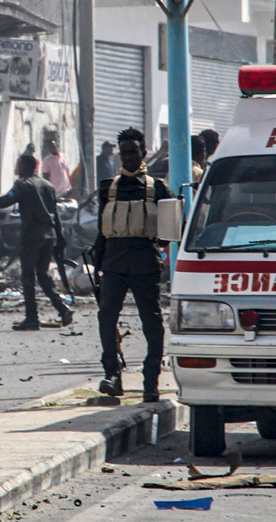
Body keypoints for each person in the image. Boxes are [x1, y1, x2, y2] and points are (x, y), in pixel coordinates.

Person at [93, 128, 174, 403]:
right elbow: (101, 230)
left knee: (152, 323)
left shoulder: (158, 188)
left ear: (144, 153)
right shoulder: (108, 187)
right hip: (113, 262)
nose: (128, 157)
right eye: (124, 152)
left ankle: (150, 382)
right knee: (106, 317)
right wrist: (97, 262)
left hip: (145, 264)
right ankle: (112, 375)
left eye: (133, 152)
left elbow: (170, 232)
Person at [0, 154, 73, 330]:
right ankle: (62, 308)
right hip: (49, 235)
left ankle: (32, 318)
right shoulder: (48, 185)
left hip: (32, 237)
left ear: (26, 167)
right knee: (42, 276)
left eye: (18, 164)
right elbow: (55, 214)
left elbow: (2, 202)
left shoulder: (23, 185)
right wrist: (60, 238)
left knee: (28, 277)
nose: (16, 167)